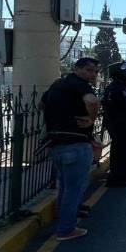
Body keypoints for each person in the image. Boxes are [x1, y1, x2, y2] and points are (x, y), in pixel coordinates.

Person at [41, 57, 100, 241]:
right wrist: (91, 119)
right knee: (74, 189)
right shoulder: (80, 85)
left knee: (65, 187)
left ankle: (63, 222)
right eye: (89, 70)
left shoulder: (57, 85)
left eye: (95, 71)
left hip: (56, 144)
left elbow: (41, 104)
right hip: (75, 144)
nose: (93, 74)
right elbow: (92, 101)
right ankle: (66, 229)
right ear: (77, 69)